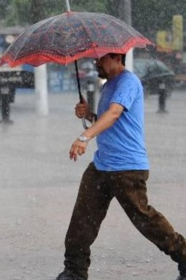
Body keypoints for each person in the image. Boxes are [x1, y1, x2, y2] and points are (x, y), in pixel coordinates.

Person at [55, 52, 186, 280]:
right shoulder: (109, 85)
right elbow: (107, 120)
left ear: (117, 57)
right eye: (96, 60)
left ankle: (184, 255)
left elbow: (115, 114)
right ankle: (74, 272)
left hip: (127, 168)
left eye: (101, 59)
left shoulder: (128, 81)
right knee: (82, 220)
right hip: (101, 166)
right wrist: (90, 114)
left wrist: (84, 137)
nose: (96, 63)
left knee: (145, 221)